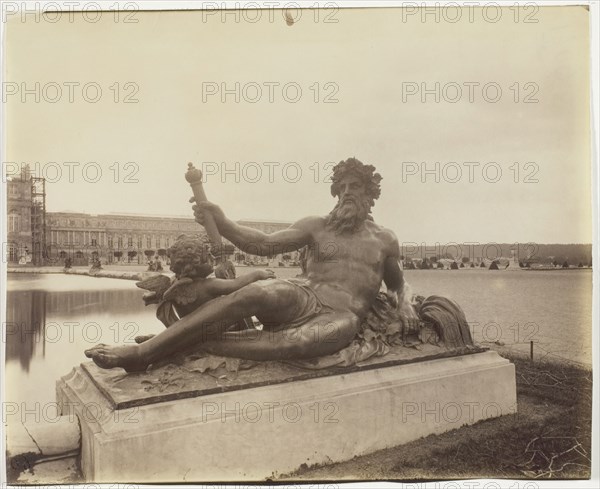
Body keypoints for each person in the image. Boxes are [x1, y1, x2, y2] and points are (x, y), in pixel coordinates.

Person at [85, 157, 405, 371]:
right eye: (342, 188)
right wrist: (223, 224)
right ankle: (143, 354)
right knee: (258, 293)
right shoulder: (317, 225)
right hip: (305, 293)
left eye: (355, 187)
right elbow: (263, 244)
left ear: (370, 193)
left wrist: (406, 306)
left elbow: (397, 286)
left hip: (342, 314)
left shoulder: (385, 240)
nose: (347, 193)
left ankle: (173, 343)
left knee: (300, 343)